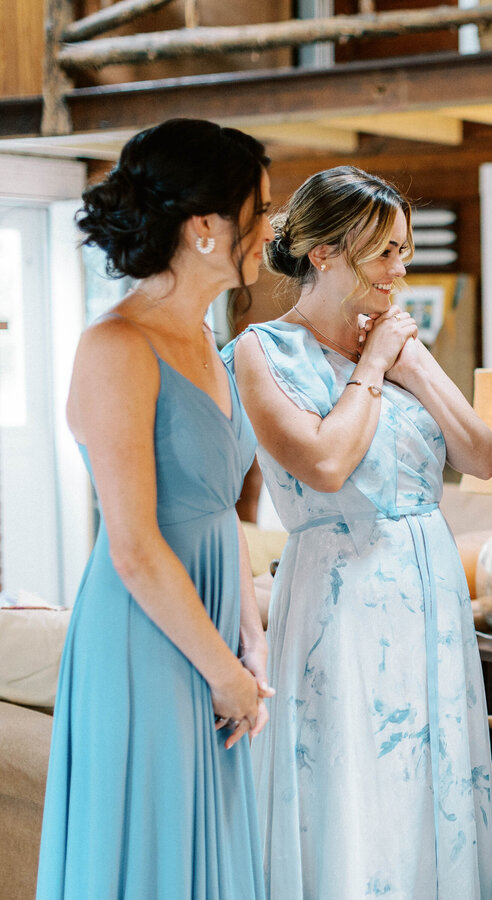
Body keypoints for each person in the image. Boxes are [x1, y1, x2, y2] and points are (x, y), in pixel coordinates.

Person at [225, 165, 492, 898]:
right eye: (385, 253)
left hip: (429, 587)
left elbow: (480, 453)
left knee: (429, 774)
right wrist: (376, 365)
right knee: (355, 770)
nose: (401, 270)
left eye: (404, 251)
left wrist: (414, 362)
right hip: (343, 593)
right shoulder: (261, 353)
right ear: (324, 254)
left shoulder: (398, 343)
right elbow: (323, 461)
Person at [37, 118, 273, 899]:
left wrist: (250, 638)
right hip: (146, 637)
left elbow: (216, 509)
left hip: (210, 629)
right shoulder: (117, 347)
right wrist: (222, 670)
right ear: (207, 228)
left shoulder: (209, 338)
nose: (270, 228)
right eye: (259, 210)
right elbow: (134, 545)